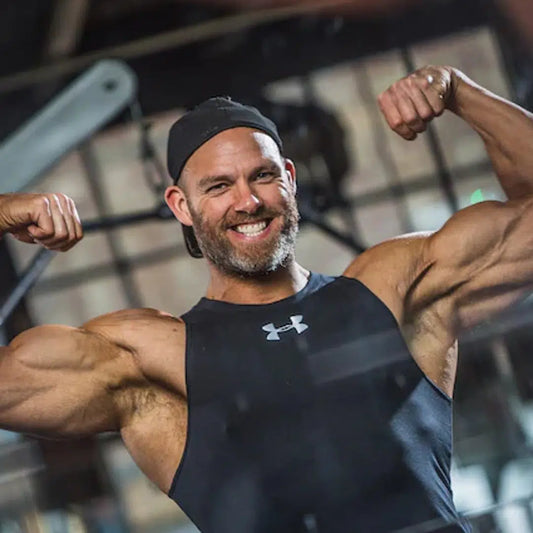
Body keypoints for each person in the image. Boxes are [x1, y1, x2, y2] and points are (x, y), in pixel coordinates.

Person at [0, 64, 531, 533]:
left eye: (262, 176)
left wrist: (459, 90)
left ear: (290, 179)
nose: (247, 201)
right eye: (218, 187)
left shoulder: (395, 291)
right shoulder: (147, 360)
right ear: (181, 206)